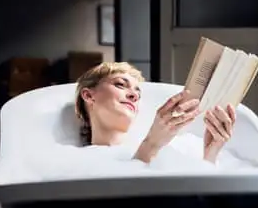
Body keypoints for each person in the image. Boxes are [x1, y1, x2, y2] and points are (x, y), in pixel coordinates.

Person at [74, 61, 236, 164]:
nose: (134, 95)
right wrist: (151, 145)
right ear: (89, 95)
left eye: (138, 92)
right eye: (120, 85)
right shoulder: (78, 162)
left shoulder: (174, 150)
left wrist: (210, 155)